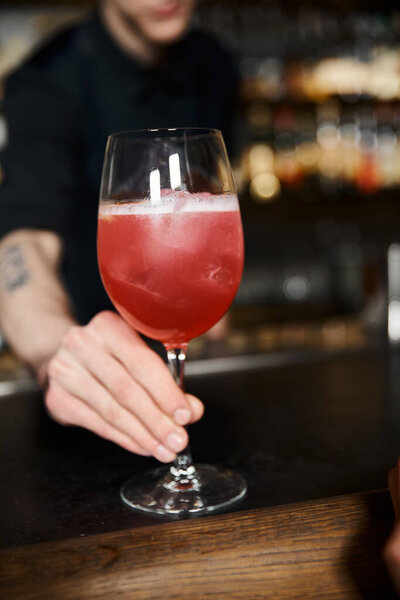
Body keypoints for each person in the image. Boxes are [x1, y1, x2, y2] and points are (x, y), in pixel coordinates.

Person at [0, 0, 239, 462]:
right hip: (87, 402)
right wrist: (56, 353)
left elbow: (217, 203)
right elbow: (22, 240)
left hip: (201, 383)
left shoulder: (216, 63)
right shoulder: (47, 79)